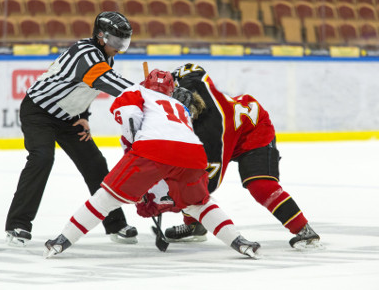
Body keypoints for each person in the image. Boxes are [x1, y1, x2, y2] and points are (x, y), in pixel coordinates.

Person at [43, 69, 261, 259]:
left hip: (153, 149)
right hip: (193, 152)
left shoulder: (136, 91)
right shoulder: (179, 105)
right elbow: (174, 147)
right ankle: (239, 242)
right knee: (199, 203)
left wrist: (133, 150)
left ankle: (62, 241)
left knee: (106, 198)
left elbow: (130, 117)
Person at [136, 63, 321, 249]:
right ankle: (195, 226)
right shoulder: (183, 96)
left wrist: (165, 200)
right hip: (230, 128)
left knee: (259, 184)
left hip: (253, 130)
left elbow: (206, 185)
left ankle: (303, 230)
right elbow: (192, 69)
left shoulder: (208, 129)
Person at [5, 12, 139, 247]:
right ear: (100, 36)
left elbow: (83, 89)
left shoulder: (105, 57)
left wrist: (83, 116)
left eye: (123, 42)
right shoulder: (85, 53)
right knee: (42, 158)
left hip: (69, 119)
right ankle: (18, 225)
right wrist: (148, 94)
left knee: (95, 164)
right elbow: (107, 81)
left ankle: (116, 225)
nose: (119, 48)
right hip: (39, 112)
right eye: (116, 42)